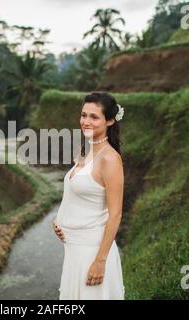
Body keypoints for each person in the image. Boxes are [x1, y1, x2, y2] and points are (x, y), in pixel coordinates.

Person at [53, 92, 125, 300]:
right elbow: (76, 197)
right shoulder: (85, 152)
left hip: (92, 252)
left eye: (94, 117)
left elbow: (116, 215)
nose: (86, 121)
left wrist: (100, 262)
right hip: (74, 250)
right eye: (84, 115)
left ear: (110, 120)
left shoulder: (110, 159)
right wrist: (60, 222)